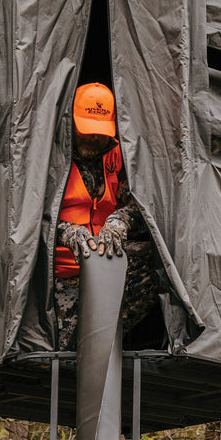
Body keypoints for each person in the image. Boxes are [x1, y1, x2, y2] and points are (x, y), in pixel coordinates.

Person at [53, 82, 156, 351]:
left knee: (155, 258)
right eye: (86, 131)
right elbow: (26, 219)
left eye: (100, 133)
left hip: (103, 265)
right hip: (56, 273)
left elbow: (143, 205)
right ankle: (77, 345)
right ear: (71, 123)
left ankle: (100, 338)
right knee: (60, 349)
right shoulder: (49, 158)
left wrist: (120, 220)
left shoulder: (117, 156)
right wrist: (66, 232)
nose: (94, 139)